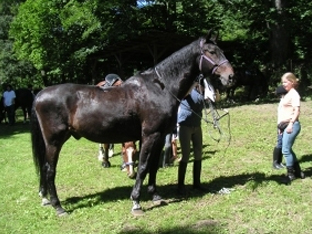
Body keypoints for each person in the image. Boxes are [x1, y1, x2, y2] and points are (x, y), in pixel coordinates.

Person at [177, 83, 205, 194]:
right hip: (186, 125)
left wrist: (215, 91)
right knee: (186, 154)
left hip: (197, 125)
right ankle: (180, 186)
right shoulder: (188, 89)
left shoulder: (202, 91)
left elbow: (214, 99)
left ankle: (197, 183)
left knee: (198, 153)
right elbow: (183, 95)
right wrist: (192, 83)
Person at [278, 72, 304, 182]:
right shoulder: (287, 93)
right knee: (288, 149)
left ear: (292, 82)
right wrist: (281, 127)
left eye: (285, 82)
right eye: (282, 82)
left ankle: (290, 174)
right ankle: (298, 171)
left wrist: (290, 124)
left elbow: (297, 111)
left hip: (292, 125)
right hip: (284, 125)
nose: (283, 84)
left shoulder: (294, 94)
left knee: (285, 150)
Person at [272, 85, 287, 169]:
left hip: (283, 124)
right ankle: (275, 162)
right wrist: (279, 127)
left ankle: (280, 161)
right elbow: (281, 116)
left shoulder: (284, 101)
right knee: (280, 143)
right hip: (281, 125)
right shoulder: (283, 102)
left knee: (283, 143)